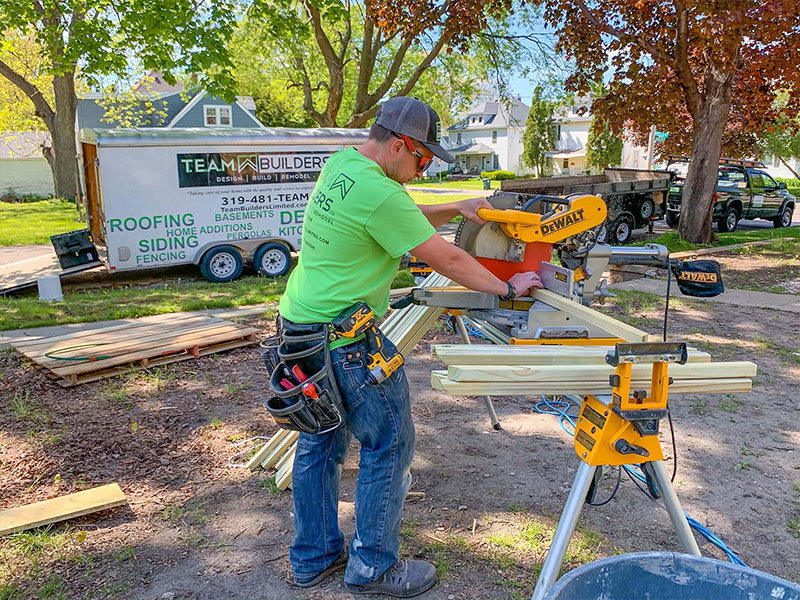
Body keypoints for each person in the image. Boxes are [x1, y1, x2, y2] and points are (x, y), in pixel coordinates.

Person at [278, 96, 542, 597]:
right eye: (422, 159)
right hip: (346, 342)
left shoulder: (345, 164)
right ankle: (373, 569)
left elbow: (397, 213)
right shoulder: (382, 193)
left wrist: (456, 206)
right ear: (400, 145)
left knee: (319, 442)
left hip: (299, 330)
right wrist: (509, 288)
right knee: (388, 443)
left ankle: (313, 557)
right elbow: (445, 257)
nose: (421, 170)